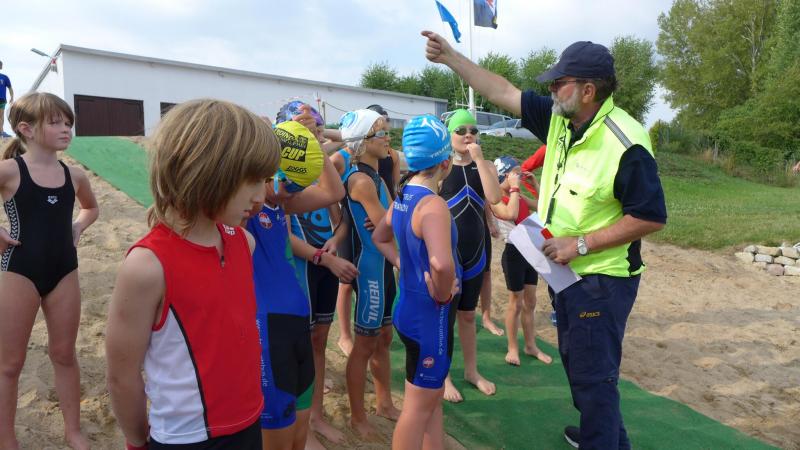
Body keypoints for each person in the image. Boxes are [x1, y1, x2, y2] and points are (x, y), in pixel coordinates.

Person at [423, 32, 667, 449]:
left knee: (593, 377)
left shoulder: (626, 143)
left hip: (601, 279)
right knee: (582, 369)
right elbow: (501, 90)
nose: (551, 89)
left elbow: (650, 216)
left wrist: (581, 244)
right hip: (564, 273)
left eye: (560, 82)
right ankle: (605, 435)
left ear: (588, 91)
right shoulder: (561, 118)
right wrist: (451, 57)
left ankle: (601, 438)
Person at [106, 99, 278, 449]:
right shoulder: (147, 266)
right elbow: (122, 375)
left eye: (266, 180)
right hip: (186, 437)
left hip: (249, 421)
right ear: (209, 172)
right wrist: (137, 442)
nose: (262, 196)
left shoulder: (242, 243)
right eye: (253, 180)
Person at [0, 93, 97, 450]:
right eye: (56, 122)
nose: (66, 129)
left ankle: (73, 430)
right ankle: (6, 437)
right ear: (26, 129)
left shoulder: (75, 175)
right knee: (10, 363)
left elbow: (90, 208)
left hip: (64, 271)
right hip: (19, 271)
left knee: (64, 354)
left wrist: (78, 227)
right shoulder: (10, 170)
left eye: (68, 122)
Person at [249, 119, 344, 450]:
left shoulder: (282, 202)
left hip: (297, 323)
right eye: (289, 184)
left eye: (299, 186)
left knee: (298, 436)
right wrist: (263, 137)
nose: (294, 193)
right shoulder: (245, 209)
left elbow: (334, 193)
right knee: (276, 435)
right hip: (268, 332)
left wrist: (314, 143)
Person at [372, 115, 460, 450]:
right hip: (428, 318)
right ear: (444, 163)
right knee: (417, 409)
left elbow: (380, 236)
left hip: (408, 309)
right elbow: (441, 264)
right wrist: (443, 292)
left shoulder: (404, 195)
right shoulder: (433, 205)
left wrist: (402, 261)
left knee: (430, 401)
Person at [278, 103, 357, 450]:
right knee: (302, 345)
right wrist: (323, 259)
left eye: (315, 130)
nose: (311, 136)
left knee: (320, 341)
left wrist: (335, 243)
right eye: (303, 131)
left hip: (326, 263)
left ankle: (316, 416)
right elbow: (284, 237)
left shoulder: (318, 171)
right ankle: (304, 426)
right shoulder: (280, 180)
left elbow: (339, 217)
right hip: (306, 266)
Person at [340, 109, 400, 438]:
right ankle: (357, 417)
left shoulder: (376, 177)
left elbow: (393, 218)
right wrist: (389, 220)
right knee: (365, 344)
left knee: (384, 337)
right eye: (381, 133)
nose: (388, 137)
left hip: (384, 265)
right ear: (363, 142)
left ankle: (384, 403)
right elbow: (390, 225)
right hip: (370, 270)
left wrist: (390, 220)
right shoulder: (361, 181)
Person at [437, 108, 502, 403]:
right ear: (449, 135)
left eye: (473, 131)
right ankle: (444, 375)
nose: (468, 136)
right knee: (445, 317)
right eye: (461, 131)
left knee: (467, 315)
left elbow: (495, 198)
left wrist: (479, 160)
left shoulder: (484, 165)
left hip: (475, 253)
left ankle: (471, 371)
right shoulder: (442, 166)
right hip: (449, 254)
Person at [491, 156, 552, 367]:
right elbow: (512, 213)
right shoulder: (498, 198)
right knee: (515, 302)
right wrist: (515, 188)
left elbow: (543, 208)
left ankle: (530, 345)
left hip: (530, 252)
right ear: (505, 175)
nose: (519, 176)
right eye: (515, 173)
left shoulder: (516, 194)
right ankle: (512, 347)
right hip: (513, 253)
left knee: (531, 302)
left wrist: (534, 184)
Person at [0, 61, 13, 136]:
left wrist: (12, 97)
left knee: (1, 116)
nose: (1, 66)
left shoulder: (4, 77)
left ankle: (1, 132)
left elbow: (10, 88)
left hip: (2, 99)